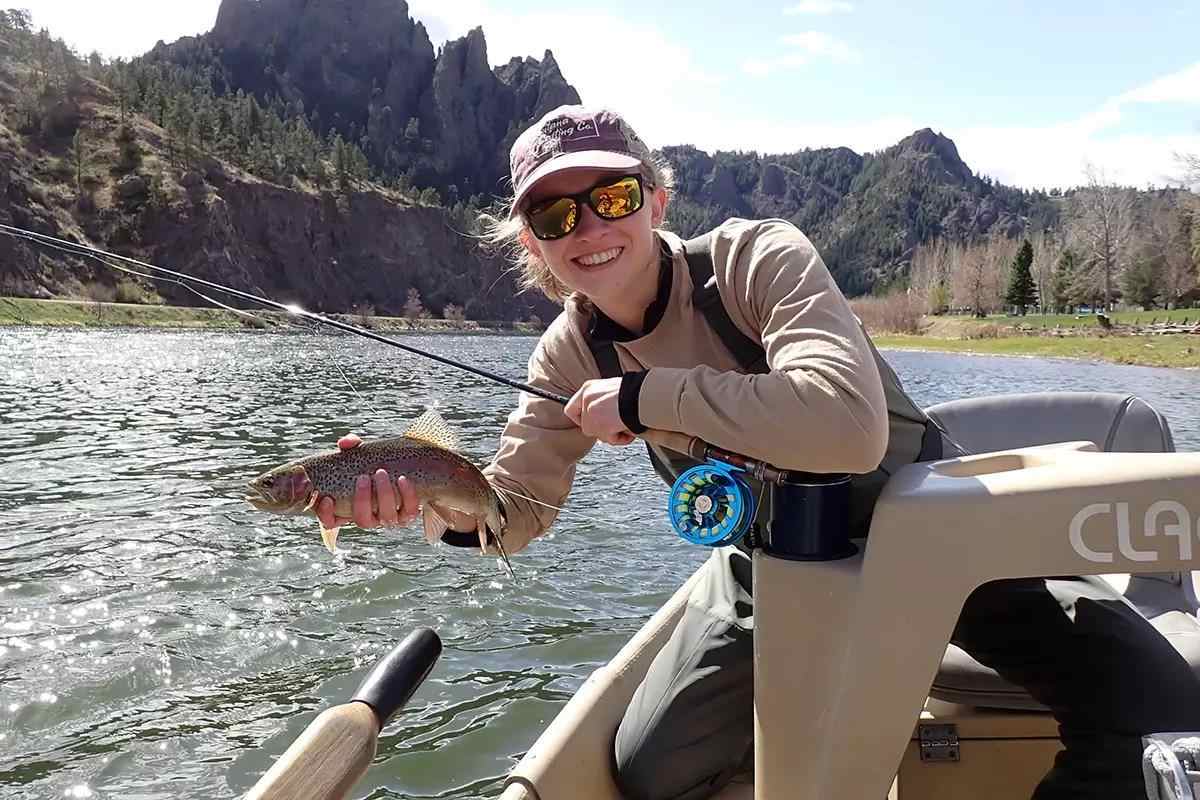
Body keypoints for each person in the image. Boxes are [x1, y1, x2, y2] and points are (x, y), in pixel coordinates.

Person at [315, 105, 1200, 799]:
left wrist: (642, 398)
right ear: (533, 242)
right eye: (553, 212)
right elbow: (516, 515)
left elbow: (848, 426)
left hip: (934, 536)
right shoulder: (566, 351)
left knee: (1161, 708)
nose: (587, 225)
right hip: (766, 566)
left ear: (657, 200)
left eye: (612, 197)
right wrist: (428, 502)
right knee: (649, 774)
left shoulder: (756, 259)